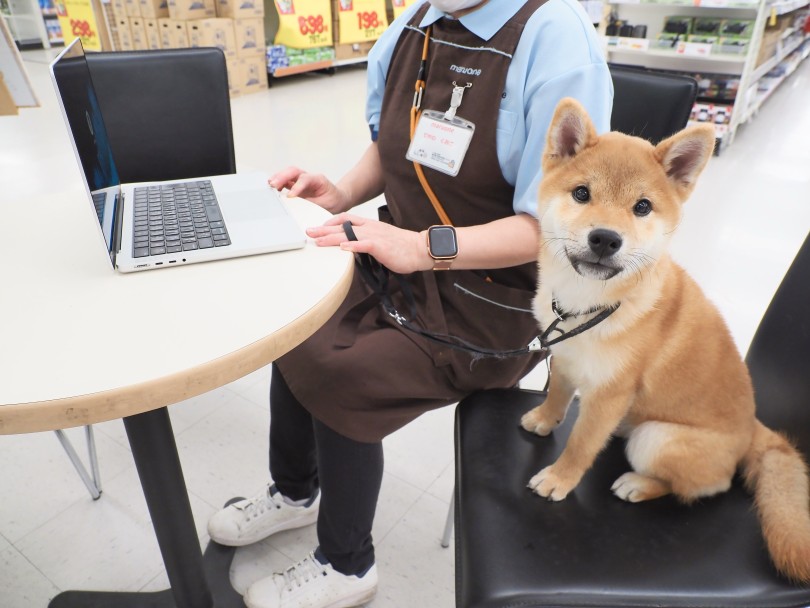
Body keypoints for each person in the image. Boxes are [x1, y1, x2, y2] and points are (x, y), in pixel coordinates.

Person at [207, 0, 613, 606]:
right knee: (294, 321)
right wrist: (340, 191)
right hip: (401, 254)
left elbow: (555, 229)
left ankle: (347, 564)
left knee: (346, 371)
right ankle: (295, 491)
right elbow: (397, 145)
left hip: (494, 299)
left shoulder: (555, 38)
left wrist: (424, 249)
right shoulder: (413, 27)